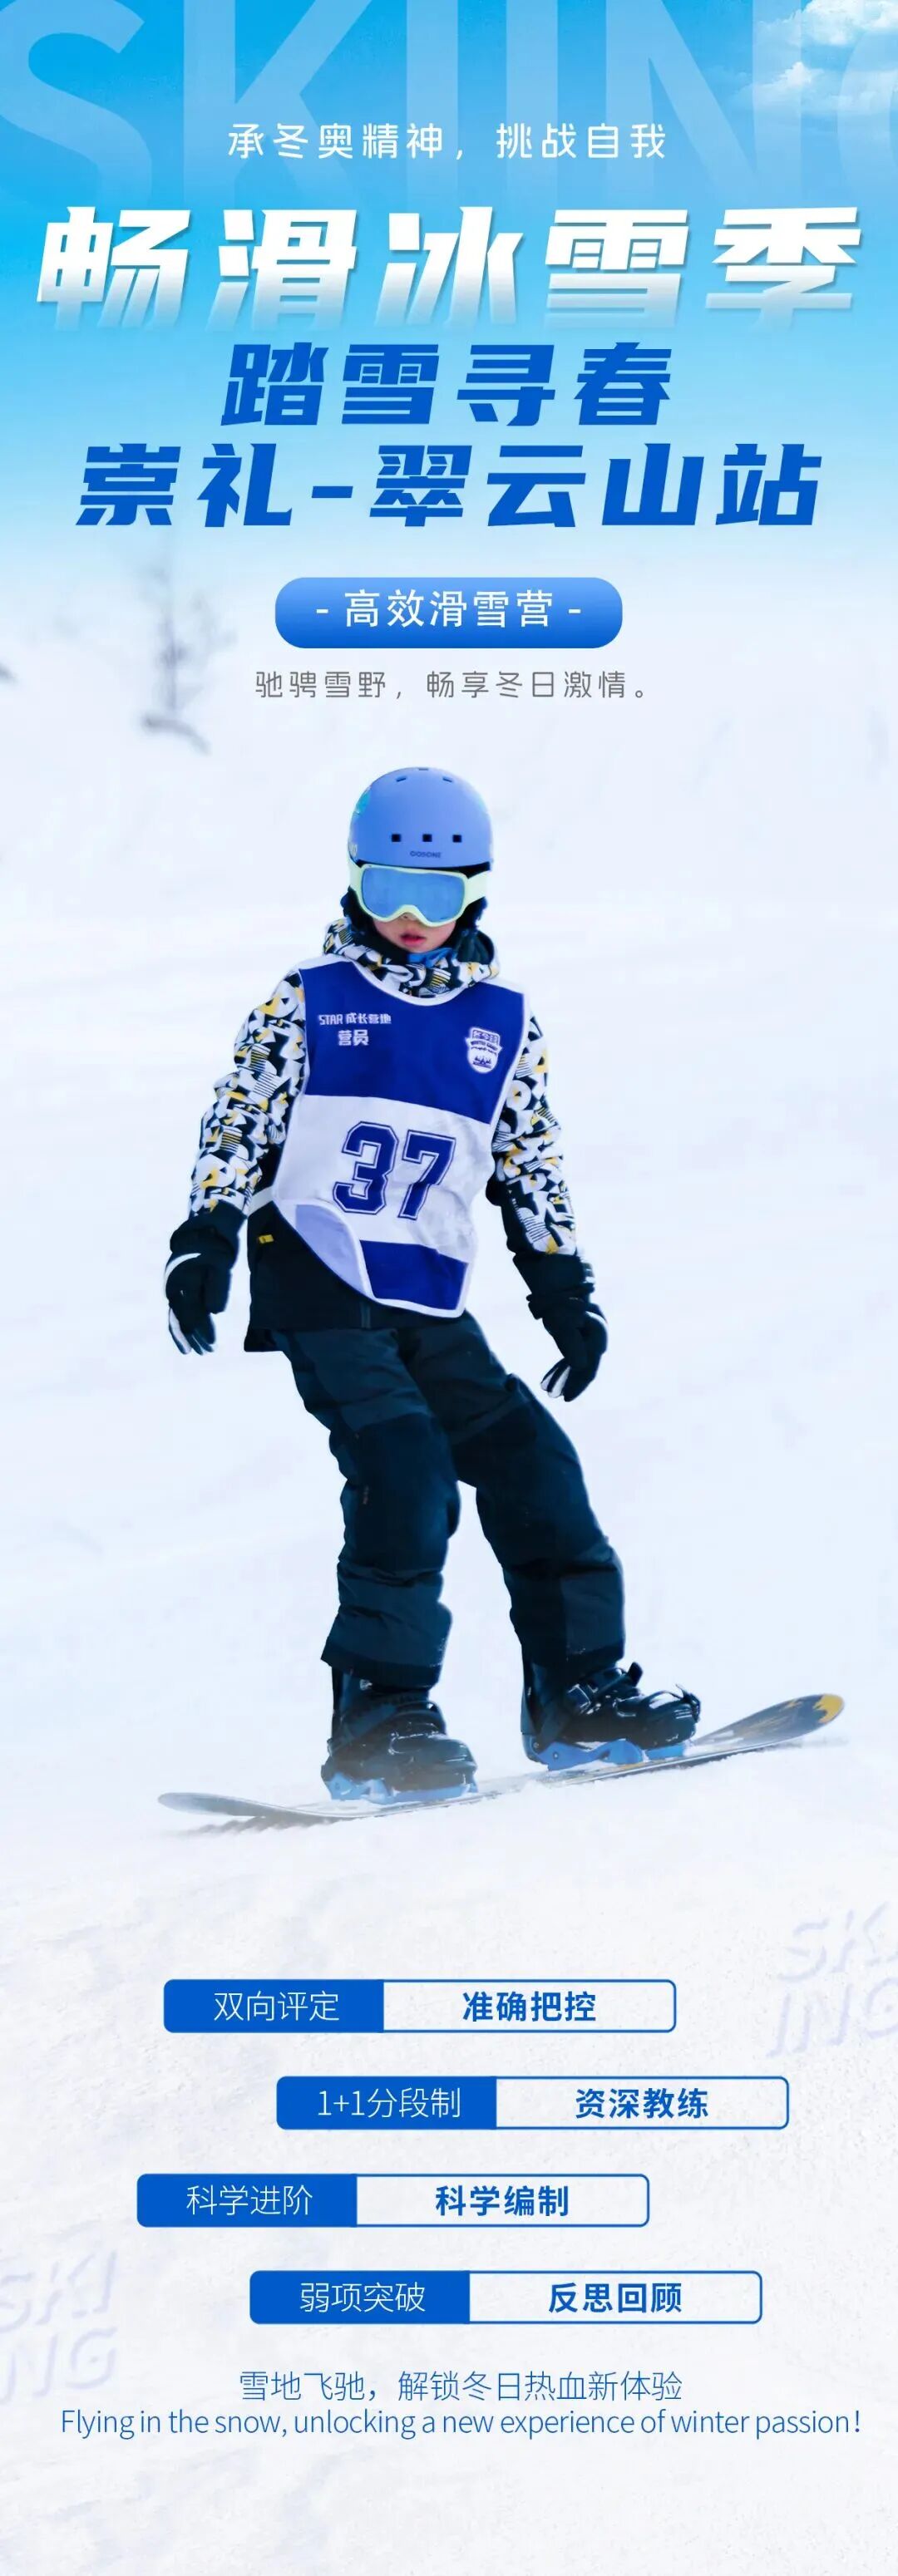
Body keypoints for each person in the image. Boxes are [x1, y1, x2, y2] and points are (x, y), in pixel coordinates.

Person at [165, 767, 698, 1801]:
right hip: (316, 1271)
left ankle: (577, 1693)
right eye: (388, 888)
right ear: (355, 880)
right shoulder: (306, 1002)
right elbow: (237, 1124)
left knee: (535, 1465)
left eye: (437, 894)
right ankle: (379, 1715)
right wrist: (206, 1238)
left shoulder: (504, 1024)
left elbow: (529, 1164)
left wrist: (564, 1292)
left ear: (476, 893)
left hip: (425, 1294)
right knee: (404, 1469)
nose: (410, 916)